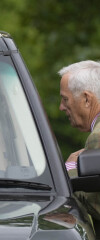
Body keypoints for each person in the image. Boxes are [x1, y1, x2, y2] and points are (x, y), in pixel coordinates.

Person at [58, 60, 100, 219]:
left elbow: (97, 206)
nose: (61, 107)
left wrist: (70, 170)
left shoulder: (97, 137)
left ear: (87, 99)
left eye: (65, 99)